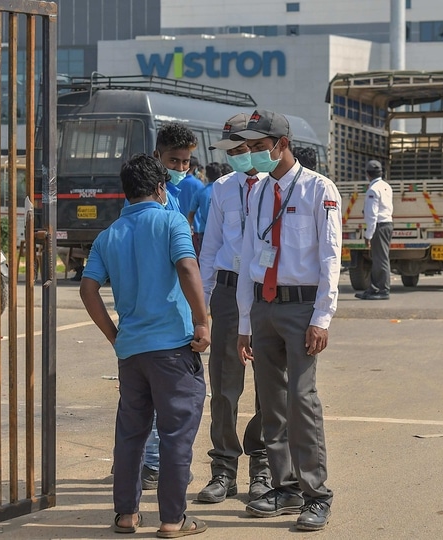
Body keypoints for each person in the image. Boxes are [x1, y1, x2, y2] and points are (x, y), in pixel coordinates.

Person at [80, 154, 209, 538]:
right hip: (172, 349)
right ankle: (172, 520)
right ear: (160, 188)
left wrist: (113, 335)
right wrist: (203, 321)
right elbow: (187, 268)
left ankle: (126, 516)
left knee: (131, 434)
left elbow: (88, 289)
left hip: (131, 351)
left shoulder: (108, 235)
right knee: (176, 436)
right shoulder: (172, 221)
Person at [235, 110, 341, 531]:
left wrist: (323, 317)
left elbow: (332, 259)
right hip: (264, 306)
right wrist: (245, 320)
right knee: (271, 402)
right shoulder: (258, 193)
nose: (255, 155)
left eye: (261, 148)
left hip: (301, 308)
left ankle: (317, 493)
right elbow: (247, 258)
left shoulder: (319, 189)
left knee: (301, 399)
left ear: (282, 144)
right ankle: (285, 486)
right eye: (252, 148)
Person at [196, 114, 271, 505]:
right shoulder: (222, 188)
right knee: (225, 387)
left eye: (245, 149)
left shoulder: (279, 189)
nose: (240, 157)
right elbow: (209, 249)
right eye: (233, 151)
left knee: (269, 385)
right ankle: (223, 469)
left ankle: (262, 465)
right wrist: (201, 307)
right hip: (227, 293)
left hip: (265, 293)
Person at [139, 122, 199, 490]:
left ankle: (145, 463)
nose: (181, 168)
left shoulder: (172, 197)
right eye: (174, 161)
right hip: (162, 309)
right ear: (157, 156)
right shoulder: (156, 199)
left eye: (186, 162)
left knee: (147, 395)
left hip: (157, 308)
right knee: (170, 397)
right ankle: (154, 465)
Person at [355, 160, 393, 300]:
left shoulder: (373, 190)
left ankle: (383, 290)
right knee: (379, 259)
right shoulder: (386, 186)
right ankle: (374, 288)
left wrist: (368, 235)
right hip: (387, 224)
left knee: (381, 259)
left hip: (379, 226)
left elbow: (372, 215)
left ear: (368, 174)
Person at [187, 162, 222, 256]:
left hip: (204, 233)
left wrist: (187, 230)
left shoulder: (200, 192)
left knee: (206, 260)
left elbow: (191, 215)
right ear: (220, 174)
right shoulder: (225, 191)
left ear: (207, 175)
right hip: (222, 232)